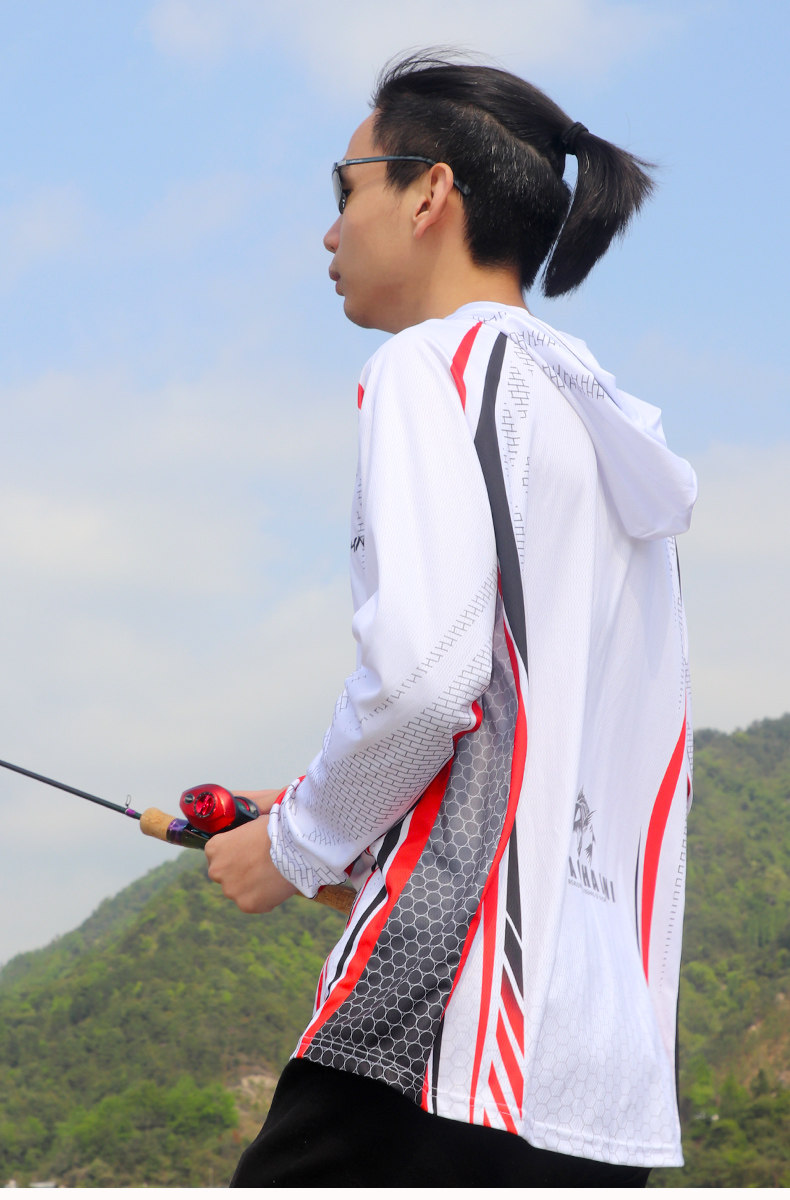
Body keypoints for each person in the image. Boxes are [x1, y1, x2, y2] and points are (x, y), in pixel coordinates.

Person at [205, 52, 697, 1186]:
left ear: (429, 192)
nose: (330, 230)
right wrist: (349, 822)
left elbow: (427, 680)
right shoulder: (610, 432)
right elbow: (528, 739)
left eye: (345, 189)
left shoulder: (433, 366)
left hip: (446, 1020)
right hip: (599, 1067)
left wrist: (293, 846)